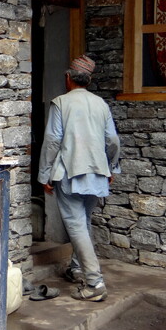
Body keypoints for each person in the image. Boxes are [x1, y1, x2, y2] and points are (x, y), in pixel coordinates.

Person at [38, 55, 120, 302]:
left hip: (70, 172)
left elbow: (52, 141)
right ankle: (76, 269)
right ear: (89, 79)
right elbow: (113, 141)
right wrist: (111, 168)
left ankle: (94, 283)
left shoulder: (61, 103)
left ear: (68, 77)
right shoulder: (101, 104)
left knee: (76, 225)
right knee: (84, 223)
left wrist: (44, 174)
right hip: (97, 173)